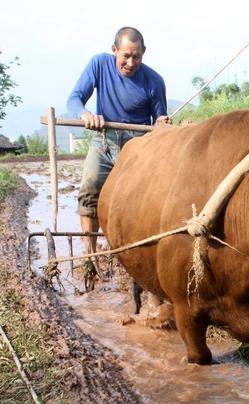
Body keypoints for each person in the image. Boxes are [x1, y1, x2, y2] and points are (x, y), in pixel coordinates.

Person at [67, 26, 170, 259]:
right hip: (104, 139)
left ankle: (138, 251)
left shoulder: (154, 81)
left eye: (137, 56)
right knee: (90, 186)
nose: (131, 63)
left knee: (146, 198)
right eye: (126, 56)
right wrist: (85, 114)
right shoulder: (99, 64)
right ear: (114, 50)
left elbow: (159, 124)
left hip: (139, 146)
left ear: (144, 53)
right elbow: (74, 99)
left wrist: (163, 123)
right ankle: (90, 254)